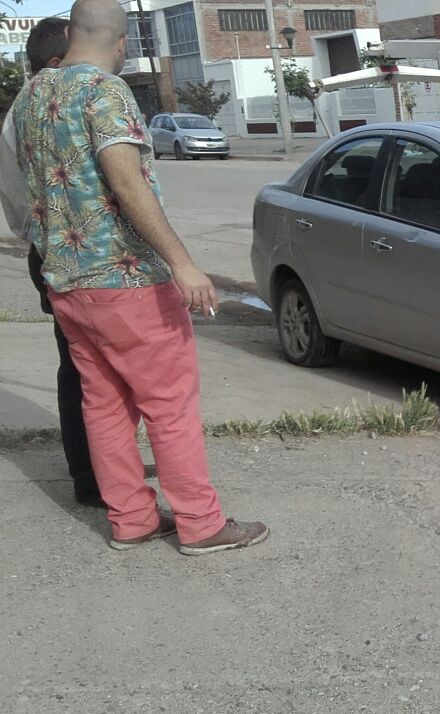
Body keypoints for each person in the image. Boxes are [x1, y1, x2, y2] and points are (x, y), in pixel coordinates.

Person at [11, 0, 268, 555]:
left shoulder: (32, 96)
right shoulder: (104, 91)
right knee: (169, 404)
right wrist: (183, 263)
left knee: (102, 405)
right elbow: (128, 185)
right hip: (127, 281)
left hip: (66, 279)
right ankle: (201, 524)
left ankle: (131, 520)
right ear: (123, 43)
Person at [0, 17, 104, 508]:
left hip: (51, 250)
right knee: (84, 368)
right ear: (57, 60)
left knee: (82, 365)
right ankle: (91, 475)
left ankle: (100, 467)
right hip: (71, 254)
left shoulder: (26, 109)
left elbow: (18, 207)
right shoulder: (42, 110)